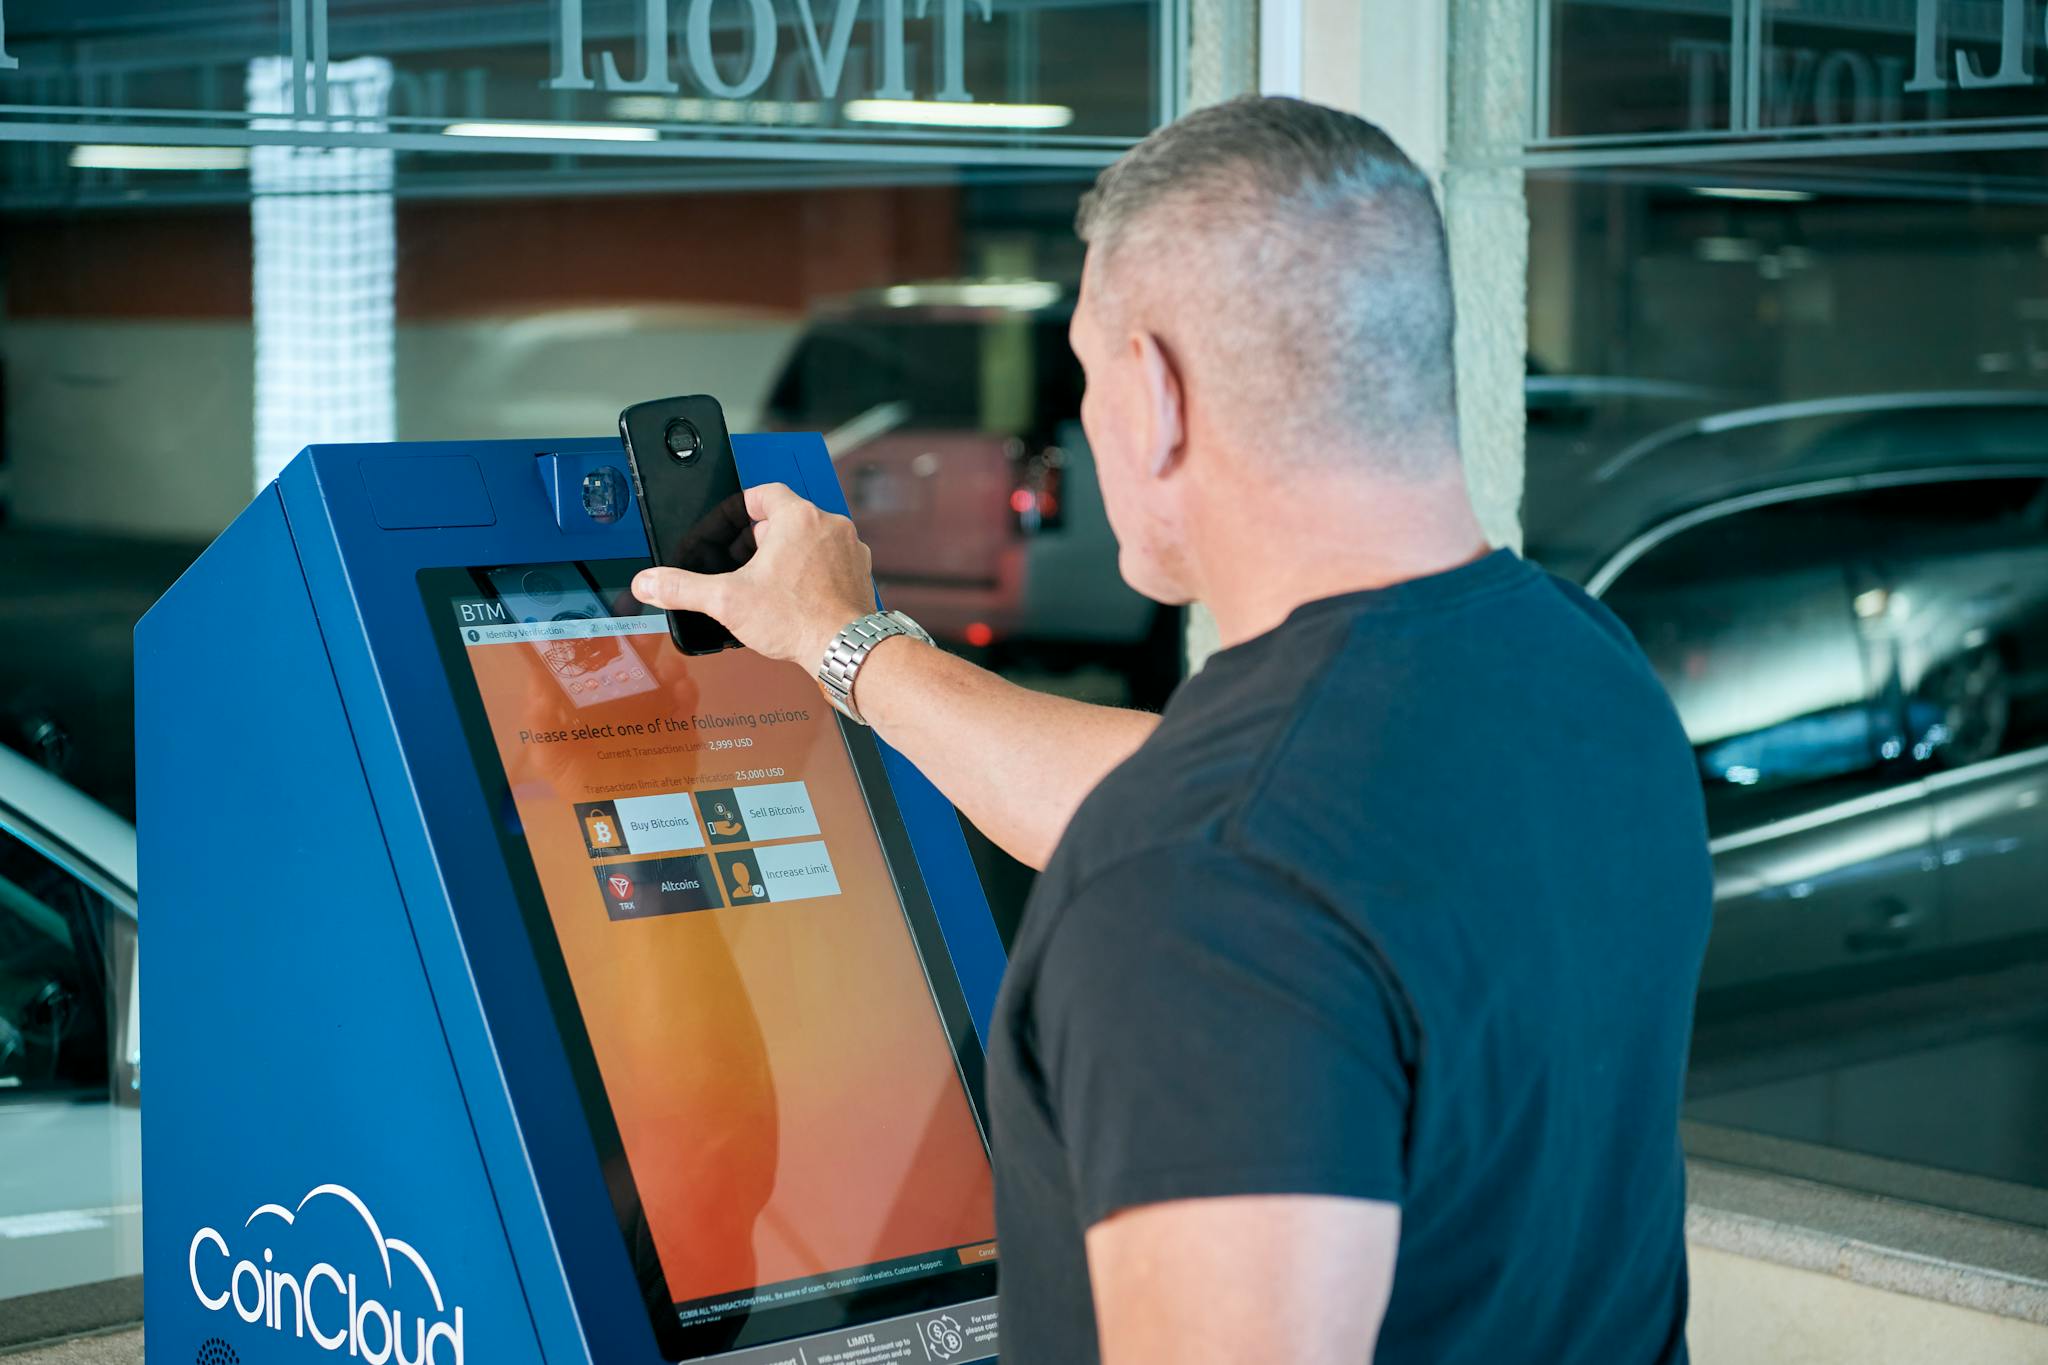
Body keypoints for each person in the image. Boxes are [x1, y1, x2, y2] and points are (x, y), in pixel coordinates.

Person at [635, 95, 1713, 1365]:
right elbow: (1213, 810)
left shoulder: (1204, 885)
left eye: (1087, 371)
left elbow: (1208, 846)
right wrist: (845, 644)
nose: (1090, 416)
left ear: (1152, 391)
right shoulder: (1578, 670)